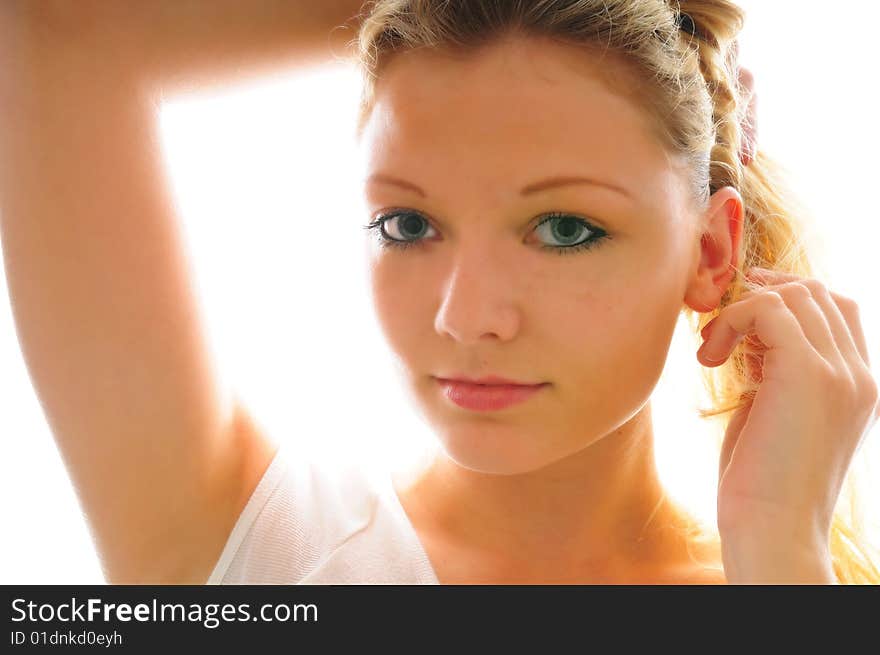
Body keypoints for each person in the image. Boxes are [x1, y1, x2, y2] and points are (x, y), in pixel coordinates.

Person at [0, 0, 877, 585]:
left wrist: (781, 553)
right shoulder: (263, 550)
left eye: (565, 228)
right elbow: (55, 28)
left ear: (712, 250)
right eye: (408, 226)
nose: (466, 316)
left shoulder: (788, 580)